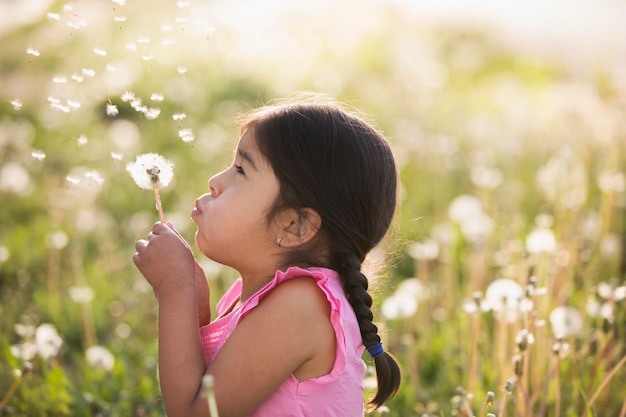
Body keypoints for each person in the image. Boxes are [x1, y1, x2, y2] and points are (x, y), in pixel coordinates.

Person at [132, 94, 401, 417]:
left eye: (241, 170)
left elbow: (197, 412)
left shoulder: (301, 305)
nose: (215, 182)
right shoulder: (273, 298)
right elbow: (213, 386)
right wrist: (195, 308)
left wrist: (174, 291)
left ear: (294, 225)